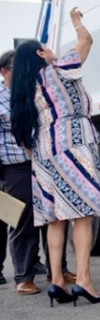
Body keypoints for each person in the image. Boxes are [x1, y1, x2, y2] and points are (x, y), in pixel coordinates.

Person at [10, 7, 100, 306]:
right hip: (73, 145)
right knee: (83, 213)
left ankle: (56, 281)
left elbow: (24, 134)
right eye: (46, 48)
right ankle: (84, 281)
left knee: (55, 218)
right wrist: (77, 21)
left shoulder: (24, 89)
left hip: (42, 152)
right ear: (41, 54)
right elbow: (86, 41)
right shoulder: (60, 68)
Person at [1, 49, 75, 296]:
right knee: (22, 221)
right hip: (15, 169)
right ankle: (24, 277)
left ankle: (59, 270)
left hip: (44, 163)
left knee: (54, 217)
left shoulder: (36, 91)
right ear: (5, 72)